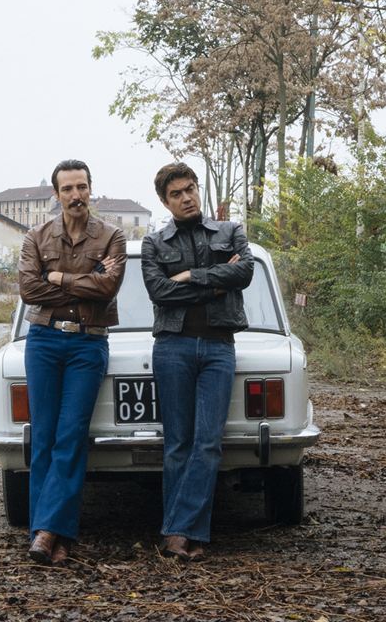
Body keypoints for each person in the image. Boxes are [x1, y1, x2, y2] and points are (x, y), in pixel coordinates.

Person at [140, 162, 254, 561]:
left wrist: (190, 276)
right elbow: (158, 292)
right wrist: (214, 283)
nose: (186, 197)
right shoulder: (153, 243)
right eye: (176, 193)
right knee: (177, 445)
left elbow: (244, 274)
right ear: (164, 200)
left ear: (198, 189)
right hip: (173, 347)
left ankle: (179, 531)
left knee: (208, 444)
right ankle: (190, 535)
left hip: (220, 346)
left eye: (190, 189)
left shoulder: (230, 230)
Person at [17, 159, 126, 565]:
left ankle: (46, 532)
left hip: (88, 344)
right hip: (43, 340)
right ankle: (50, 536)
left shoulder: (112, 236)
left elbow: (108, 288)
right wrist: (87, 282)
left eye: (81, 187)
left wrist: (58, 278)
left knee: (71, 436)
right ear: (56, 194)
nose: (76, 195)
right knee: (43, 436)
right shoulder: (36, 236)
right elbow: (29, 289)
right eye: (68, 189)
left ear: (91, 190)